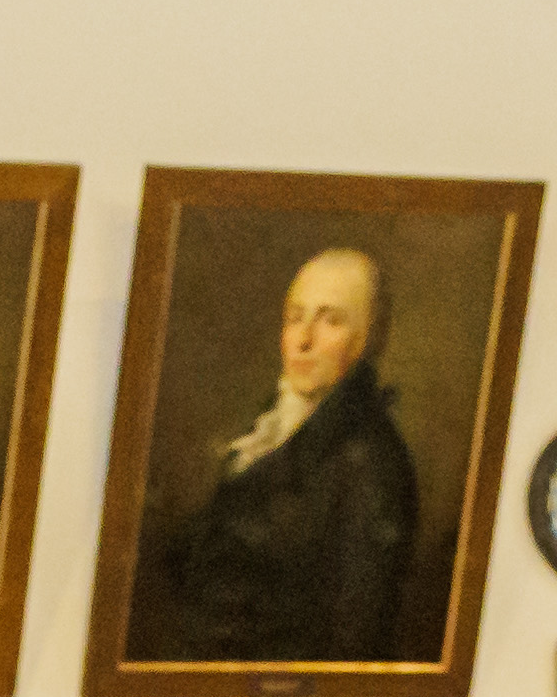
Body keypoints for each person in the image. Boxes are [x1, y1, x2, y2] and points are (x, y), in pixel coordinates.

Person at [138, 243, 421, 665]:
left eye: (331, 321)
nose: (303, 340)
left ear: (366, 339)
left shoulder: (370, 463)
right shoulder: (274, 426)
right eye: (295, 318)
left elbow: (354, 636)